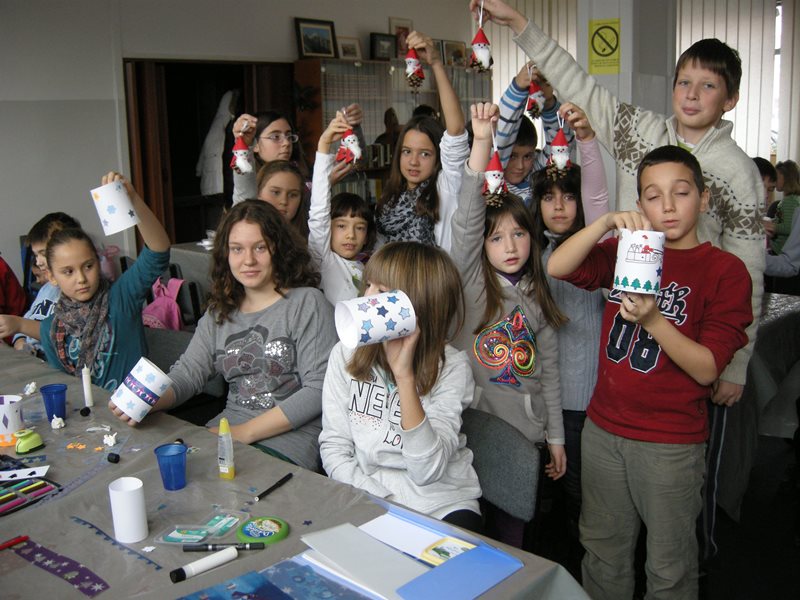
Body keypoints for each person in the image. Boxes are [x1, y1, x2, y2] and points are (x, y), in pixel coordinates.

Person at [471, 0, 763, 411]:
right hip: (623, 320)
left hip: (689, 324)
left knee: (675, 425)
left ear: (730, 99)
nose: (692, 95)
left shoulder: (739, 172)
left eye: (708, 86)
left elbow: (748, 271)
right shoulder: (638, 131)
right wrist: (519, 23)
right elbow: (580, 86)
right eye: (684, 82)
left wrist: (737, 365)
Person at [546, 145, 752, 600]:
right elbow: (558, 266)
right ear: (640, 205)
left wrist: (654, 320)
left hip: (670, 443)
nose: (668, 206)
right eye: (654, 196)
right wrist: (604, 223)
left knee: (669, 566)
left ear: (704, 198)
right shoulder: (629, 251)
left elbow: (707, 369)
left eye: (681, 193)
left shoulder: (725, 270)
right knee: (602, 552)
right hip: (604, 429)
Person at [110, 200, 336, 471]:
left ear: (279, 248)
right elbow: (188, 374)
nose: (248, 260)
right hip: (226, 433)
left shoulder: (308, 303)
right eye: (237, 249)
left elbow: (318, 389)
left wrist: (243, 433)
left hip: (287, 443)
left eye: (260, 247)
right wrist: (148, 399)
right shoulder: (219, 313)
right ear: (226, 254)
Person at [449, 102, 565, 545]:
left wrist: (556, 438)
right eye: (496, 238)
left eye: (518, 234)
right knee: (472, 537)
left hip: (525, 438)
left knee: (514, 541)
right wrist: (482, 141)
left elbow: (549, 374)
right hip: (473, 434)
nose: (510, 246)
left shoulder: (539, 293)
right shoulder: (473, 286)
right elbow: (467, 218)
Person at [319, 241, 482, 531]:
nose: (366, 297)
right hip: (369, 496)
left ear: (417, 304)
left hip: (441, 502)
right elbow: (334, 447)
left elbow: (426, 471)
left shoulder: (453, 367)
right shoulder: (345, 354)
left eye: (381, 292)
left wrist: (404, 377)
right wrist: (379, 502)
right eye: (368, 285)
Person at [530, 102, 609, 571]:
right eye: (548, 198)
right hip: (545, 403)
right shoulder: (529, 256)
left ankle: (587, 575)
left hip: (588, 403)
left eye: (568, 197)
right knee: (548, 499)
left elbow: (599, 199)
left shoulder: (599, 252)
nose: (558, 206)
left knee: (584, 498)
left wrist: (588, 142)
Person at [39, 173, 170, 390]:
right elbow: (64, 387)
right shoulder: (50, 328)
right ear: (52, 276)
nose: (81, 278)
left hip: (136, 407)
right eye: (68, 272)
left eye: (88, 266)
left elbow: (158, 251)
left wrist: (133, 199)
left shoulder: (121, 297)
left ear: (98, 262)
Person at [376, 31, 468, 252]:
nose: (413, 161)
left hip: (434, 274)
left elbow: (456, 130)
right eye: (407, 151)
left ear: (438, 157)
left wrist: (436, 63)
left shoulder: (444, 187)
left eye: (425, 154)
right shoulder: (390, 199)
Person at [310, 112, 377, 304]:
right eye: (341, 226)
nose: (351, 235)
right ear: (328, 228)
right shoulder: (324, 260)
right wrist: (324, 144)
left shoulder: (370, 269)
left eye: (360, 228)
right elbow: (319, 212)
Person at [0, 213, 81, 356]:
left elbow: (66, 337)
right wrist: (20, 341)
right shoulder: (47, 289)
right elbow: (29, 318)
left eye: (43, 253)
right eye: (36, 255)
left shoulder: (77, 292)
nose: (38, 262)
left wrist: (19, 325)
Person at [496, 63, 575, 205]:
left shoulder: (535, 175)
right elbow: (502, 136)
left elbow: (562, 146)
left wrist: (548, 102)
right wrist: (517, 89)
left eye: (527, 156)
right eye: (512, 156)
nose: (520, 166)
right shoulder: (491, 179)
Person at [255, 160, 309, 239]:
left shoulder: (310, 238)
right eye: (276, 192)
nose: (284, 201)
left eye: (293, 195)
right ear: (258, 192)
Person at [767, 160, 800, 255]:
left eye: (776, 177)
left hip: (780, 250)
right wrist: (772, 221)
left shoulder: (790, 201)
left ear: (786, 178)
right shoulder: (791, 199)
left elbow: (789, 227)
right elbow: (782, 220)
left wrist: (771, 226)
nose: (774, 180)